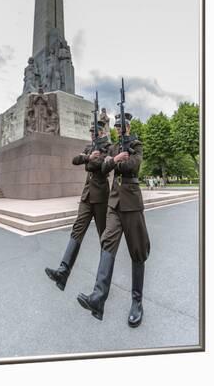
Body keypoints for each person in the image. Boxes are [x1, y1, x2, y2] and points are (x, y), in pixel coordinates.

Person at [77, 112, 150, 327]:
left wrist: (114, 162)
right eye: (116, 126)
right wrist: (114, 160)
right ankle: (98, 298)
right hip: (114, 202)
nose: (118, 129)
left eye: (121, 126)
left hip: (132, 202)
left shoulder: (136, 145)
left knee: (137, 251)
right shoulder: (116, 148)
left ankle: (137, 302)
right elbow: (104, 167)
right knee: (107, 243)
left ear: (128, 126)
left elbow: (132, 167)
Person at [45, 121, 111, 290]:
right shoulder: (90, 148)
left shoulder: (109, 147)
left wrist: (89, 162)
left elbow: (101, 167)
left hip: (101, 198)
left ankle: (102, 285)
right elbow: (76, 160)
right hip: (86, 197)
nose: (91, 134)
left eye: (94, 132)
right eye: (90, 132)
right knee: (77, 230)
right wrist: (88, 157)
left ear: (102, 132)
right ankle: (63, 271)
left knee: (104, 238)